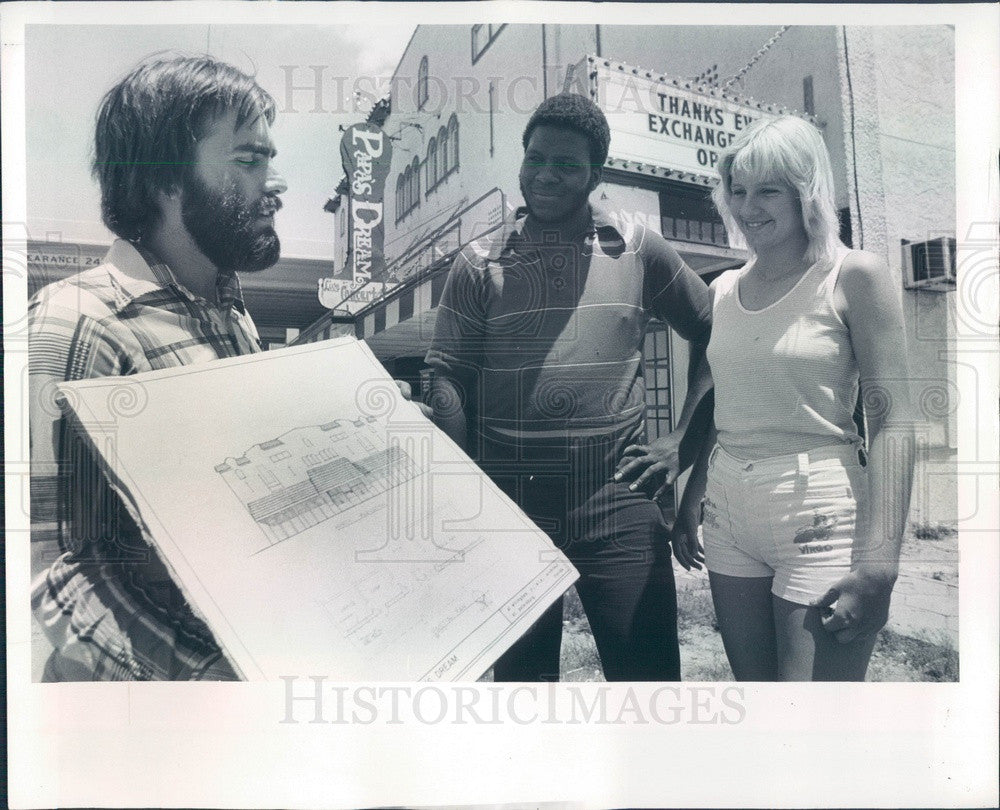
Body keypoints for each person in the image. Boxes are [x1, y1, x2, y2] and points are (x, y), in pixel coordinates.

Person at [28, 55, 420, 681]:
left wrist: (361, 441)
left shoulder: (229, 312)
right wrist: (220, 677)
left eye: (269, 157)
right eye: (247, 160)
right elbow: (48, 579)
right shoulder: (79, 324)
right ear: (166, 179)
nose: (276, 183)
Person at [425, 93, 713, 682]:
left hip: (618, 493)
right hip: (510, 499)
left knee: (649, 683)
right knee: (522, 689)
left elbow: (715, 334)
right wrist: (461, 489)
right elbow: (446, 372)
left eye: (566, 165)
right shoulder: (478, 260)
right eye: (536, 159)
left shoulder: (638, 247)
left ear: (596, 176)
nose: (545, 176)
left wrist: (681, 445)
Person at [668, 115, 915, 681]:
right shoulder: (723, 289)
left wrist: (881, 566)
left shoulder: (854, 275)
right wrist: (692, 498)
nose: (748, 206)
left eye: (768, 189)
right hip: (729, 508)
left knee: (814, 719)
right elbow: (725, 410)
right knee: (758, 705)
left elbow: (896, 423)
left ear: (806, 192)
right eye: (738, 189)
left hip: (820, 504)